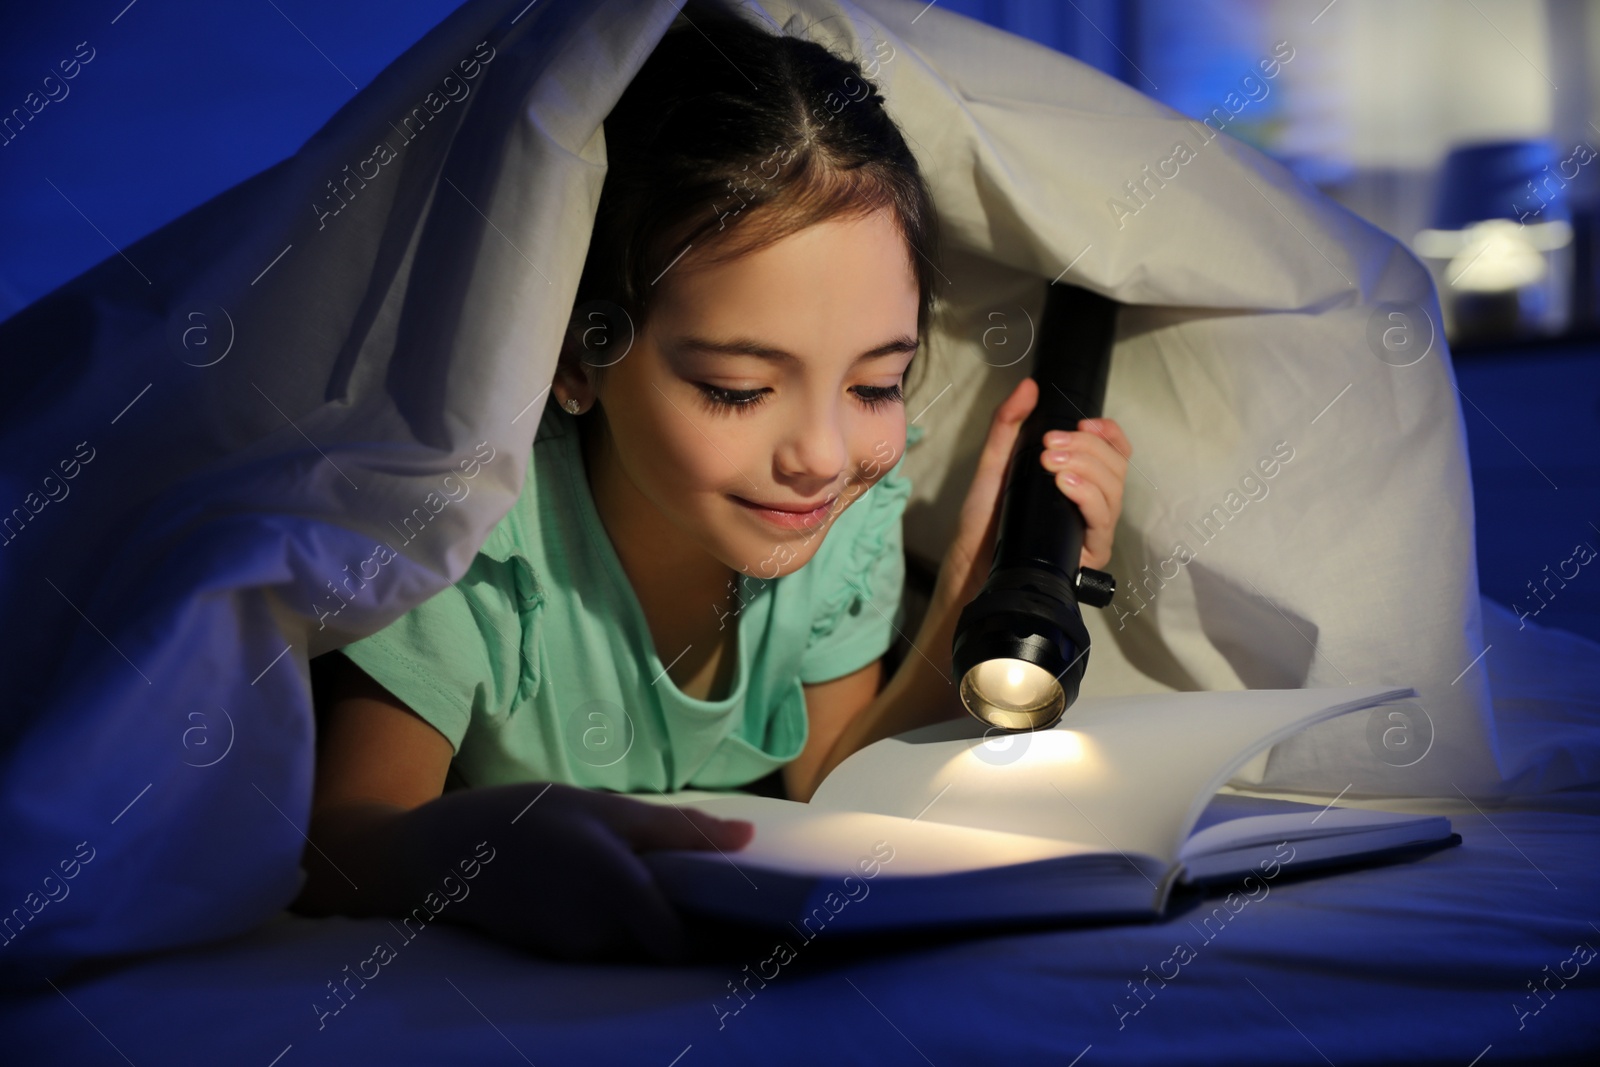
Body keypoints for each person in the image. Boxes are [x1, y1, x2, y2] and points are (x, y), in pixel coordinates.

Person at [292, 1, 1131, 963]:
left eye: (875, 383)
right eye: (738, 390)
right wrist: (490, 843)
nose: (820, 454)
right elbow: (340, 839)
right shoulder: (472, 535)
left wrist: (964, 602)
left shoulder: (843, 518)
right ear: (573, 359)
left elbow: (834, 779)